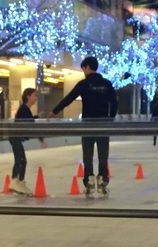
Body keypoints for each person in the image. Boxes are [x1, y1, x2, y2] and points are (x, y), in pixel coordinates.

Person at [47, 56, 117, 196]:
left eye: (83, 69)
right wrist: (110, 118)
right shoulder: (107, 84)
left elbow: (69, 98)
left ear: (86, 67)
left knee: (88, 154)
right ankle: (103, 179)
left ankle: (89, 179)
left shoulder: (84, 84)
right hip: (103, 124)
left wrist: (54, 111)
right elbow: (114, 103)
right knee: (103, 154)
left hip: (88, 125)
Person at [9, 87, 37, 195]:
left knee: (20, 159)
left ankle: (17, 181)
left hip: (15, 137)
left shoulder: (25, 109)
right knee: (21, 160)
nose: (36, 98)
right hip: (15, 136)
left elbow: (29, 121)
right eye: (35, 95)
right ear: (28, 96)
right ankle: (17, 182)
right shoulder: (24, 108)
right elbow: (30, 123)